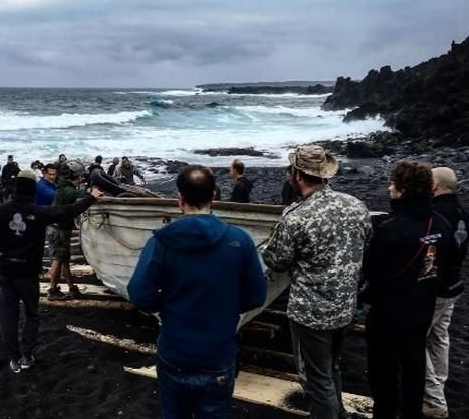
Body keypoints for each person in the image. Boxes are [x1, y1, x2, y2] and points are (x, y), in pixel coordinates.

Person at [128, 165, 267, 418]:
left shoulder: (161, 242)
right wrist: (225, 306)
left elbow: (139, 294)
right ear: (214, 195)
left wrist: (167, 303)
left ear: (179, 198)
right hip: (218, 353)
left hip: (175, 352)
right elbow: (256, 296)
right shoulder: (240, 240)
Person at [262, 145, 372, 419]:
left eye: (290, 172)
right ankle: (339, 412)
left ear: (298, 176)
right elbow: (366, 243)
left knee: (316, 377)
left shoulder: (297, 216)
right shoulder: (356, 205)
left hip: (310, 313)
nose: (288, 176)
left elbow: (277, 261)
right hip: (345, 306)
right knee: (332, 366)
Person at [0, 169, 102, 373]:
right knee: (32, 314)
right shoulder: (39, 212)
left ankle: (14, 359)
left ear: (16, 187)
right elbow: (68, 210)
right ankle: (26, 355)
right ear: (33, 189)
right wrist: (92, 198)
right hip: (27, 273)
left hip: (6, 272)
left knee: (8, 317)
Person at [364, 161, 453, 419]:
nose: (389, 188)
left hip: (388, 317)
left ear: (402, 190)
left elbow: (372, 273)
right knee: (414, 373)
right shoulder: (441, 224)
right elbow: (446, 264)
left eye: (393, 184)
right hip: (422, 312)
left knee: (384, 378)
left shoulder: (389, 230)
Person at [423, 167, 467, 419]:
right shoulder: (462, 213)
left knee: (415, 340)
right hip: (453, 284)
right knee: (439, 337)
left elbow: (429, 256)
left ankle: (433, 401)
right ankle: (438, 382)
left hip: (435, 288)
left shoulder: (436, 215)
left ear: (434, 186)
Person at [48, 161, 89, 300]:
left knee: (64, 260)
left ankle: (71, 288)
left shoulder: (62, 187)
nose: (81, 179)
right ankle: (52, 290)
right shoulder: (68, 191)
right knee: (59, 260)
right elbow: (82, 197)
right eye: (80, 176)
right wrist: (93, 195)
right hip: (60, 230)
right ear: (75, 176)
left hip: (56, 228)